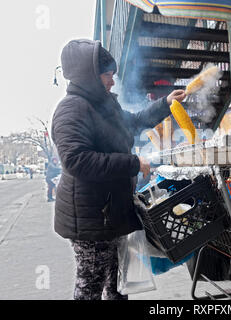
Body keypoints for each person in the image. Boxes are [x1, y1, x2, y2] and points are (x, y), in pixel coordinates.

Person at [51, 39, 186, 300]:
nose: (112, 82)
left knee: (115, 282)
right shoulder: (72, 109)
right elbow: (77, 160)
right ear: (89, 76)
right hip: (90, 217)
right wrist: (133, 163)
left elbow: (134, 122)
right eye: (107, 75)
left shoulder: (103, 105)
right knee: (90, 285)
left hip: (109, 212)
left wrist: (166, 103)